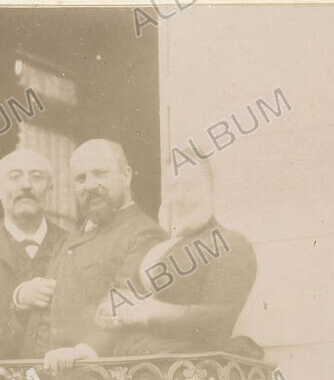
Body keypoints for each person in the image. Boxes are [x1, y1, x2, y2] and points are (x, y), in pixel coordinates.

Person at [93, 152, 261, 357]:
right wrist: (107, 312)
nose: (182, 197)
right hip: (132, 369)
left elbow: (218, 320)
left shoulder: (230, 243)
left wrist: (147, 311)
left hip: (188, 374)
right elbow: (119, 296)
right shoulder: (153, 246)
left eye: (191, 186)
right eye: (173, 188)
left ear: (211, 190)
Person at [26, 139, 167, 372]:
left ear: (126, 175)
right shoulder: (69, 241)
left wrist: (85, 350)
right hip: (51, 375)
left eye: (99, 173)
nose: (90, 185)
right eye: (81, 178)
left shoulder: (145, 234)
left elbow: (124, 308)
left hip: (99, 377)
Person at [0, 148, 66, 359]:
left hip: (59, 379)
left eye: (36, 177)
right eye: (15, 177)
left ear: (50, 190)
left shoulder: (72, 245)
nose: (26, 185)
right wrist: (18, 299)